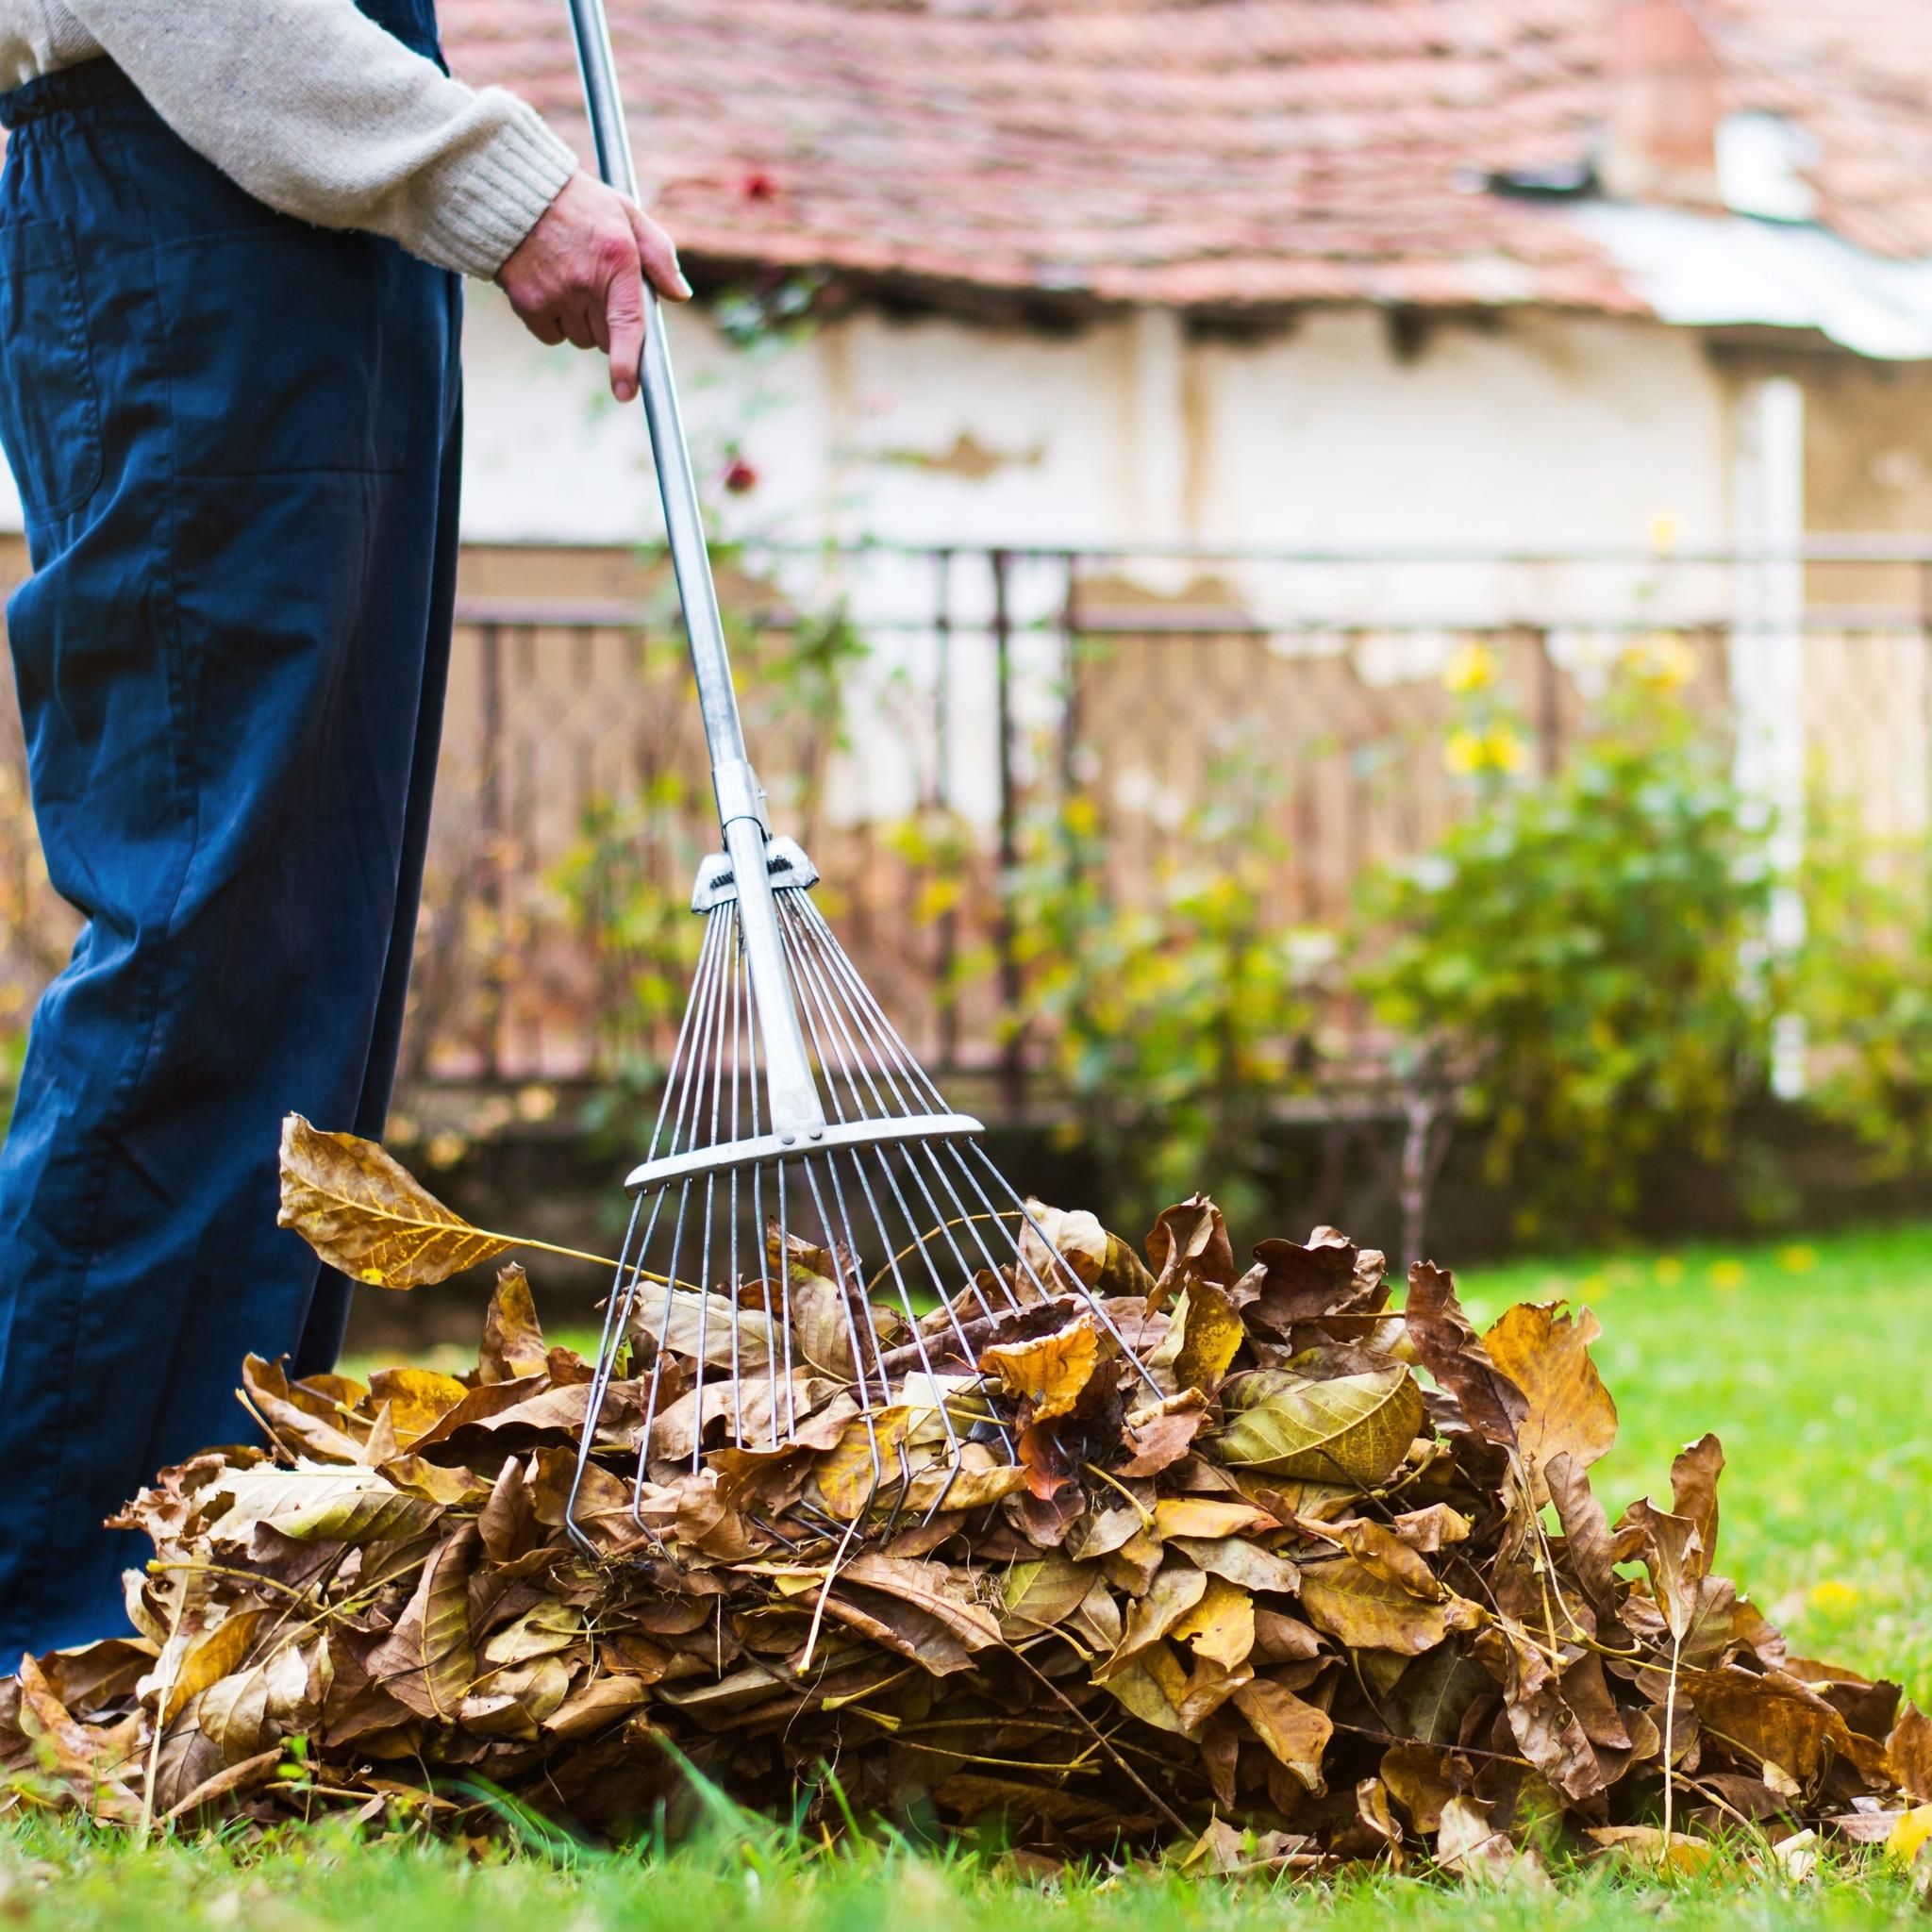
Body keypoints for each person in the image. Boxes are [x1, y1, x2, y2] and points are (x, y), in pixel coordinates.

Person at [0, 0, 689, 1660]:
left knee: (309, 947)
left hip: (297, 247)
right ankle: (54, 1607)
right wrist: (494, 181)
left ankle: (209, 1566)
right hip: (186, 222)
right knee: (208, 933)